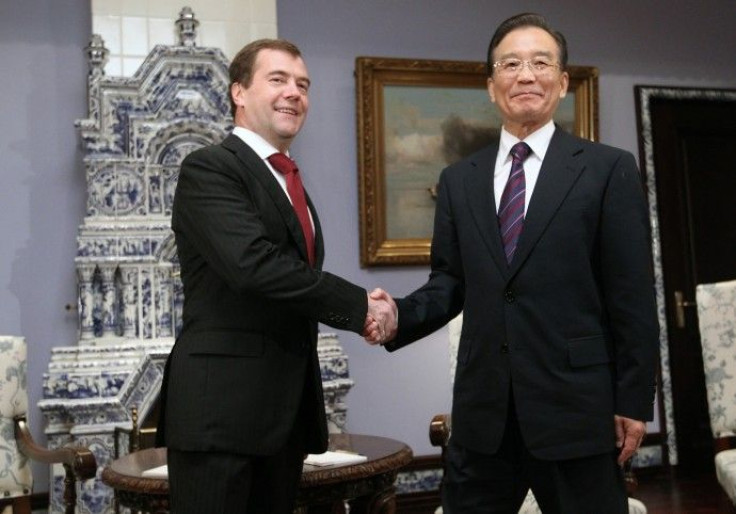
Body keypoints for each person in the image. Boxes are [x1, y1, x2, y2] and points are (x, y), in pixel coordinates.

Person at [370, 13, 659, 514]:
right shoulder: (460, 180)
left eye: (540, 62)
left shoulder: (607, 169)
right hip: (484, 420)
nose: (525, 75)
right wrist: (397, 315)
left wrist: (632, 402)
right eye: (510, 64)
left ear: (562, 82)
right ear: (491, 85)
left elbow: (631, 296)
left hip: (578, 415)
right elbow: (448, 284)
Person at [156, 38, 396, 513]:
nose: (294, 93)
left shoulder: (290, 182)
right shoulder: (210, 168)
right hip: (219, 419)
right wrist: (358, 307)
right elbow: (254, 266)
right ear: (239, 93)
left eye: (303, 85)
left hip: (281, 420)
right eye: (278, 80)